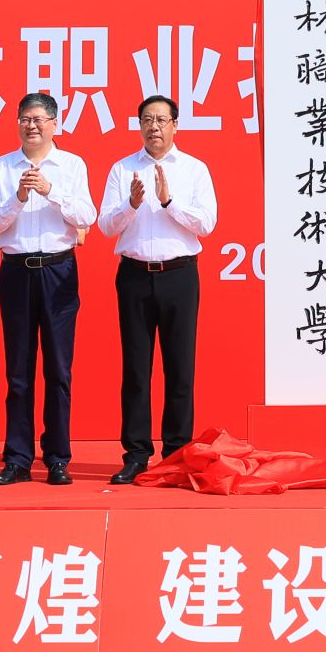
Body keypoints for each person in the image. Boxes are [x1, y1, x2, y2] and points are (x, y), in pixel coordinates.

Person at [98, 94, 218, 484]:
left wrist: (169, 202)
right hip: (134, 276)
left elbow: (207, 224)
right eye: (147, 119)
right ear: (139, 126)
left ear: (175, 125)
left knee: (180, 367)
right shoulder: (122, 169)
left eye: (161, 120)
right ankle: (136, 453)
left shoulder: (195, 169)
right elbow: (105, 226)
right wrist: (131, 205)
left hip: (179, 275)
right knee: (136, 368)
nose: (154, 127)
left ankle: (177, 453)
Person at [0, 92, 96, 487]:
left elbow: (87, 216)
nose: (31, 126)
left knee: (58, 369)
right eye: (25, 119)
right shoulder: (0, 167)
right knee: (18, 371)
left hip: (58, 270)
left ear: (54, 124)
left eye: (39, 119)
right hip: (16, 272)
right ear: (17, 123)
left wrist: (50, 191)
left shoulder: (72, 165)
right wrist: (18, 198)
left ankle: (58, 457)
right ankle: (17, 458)